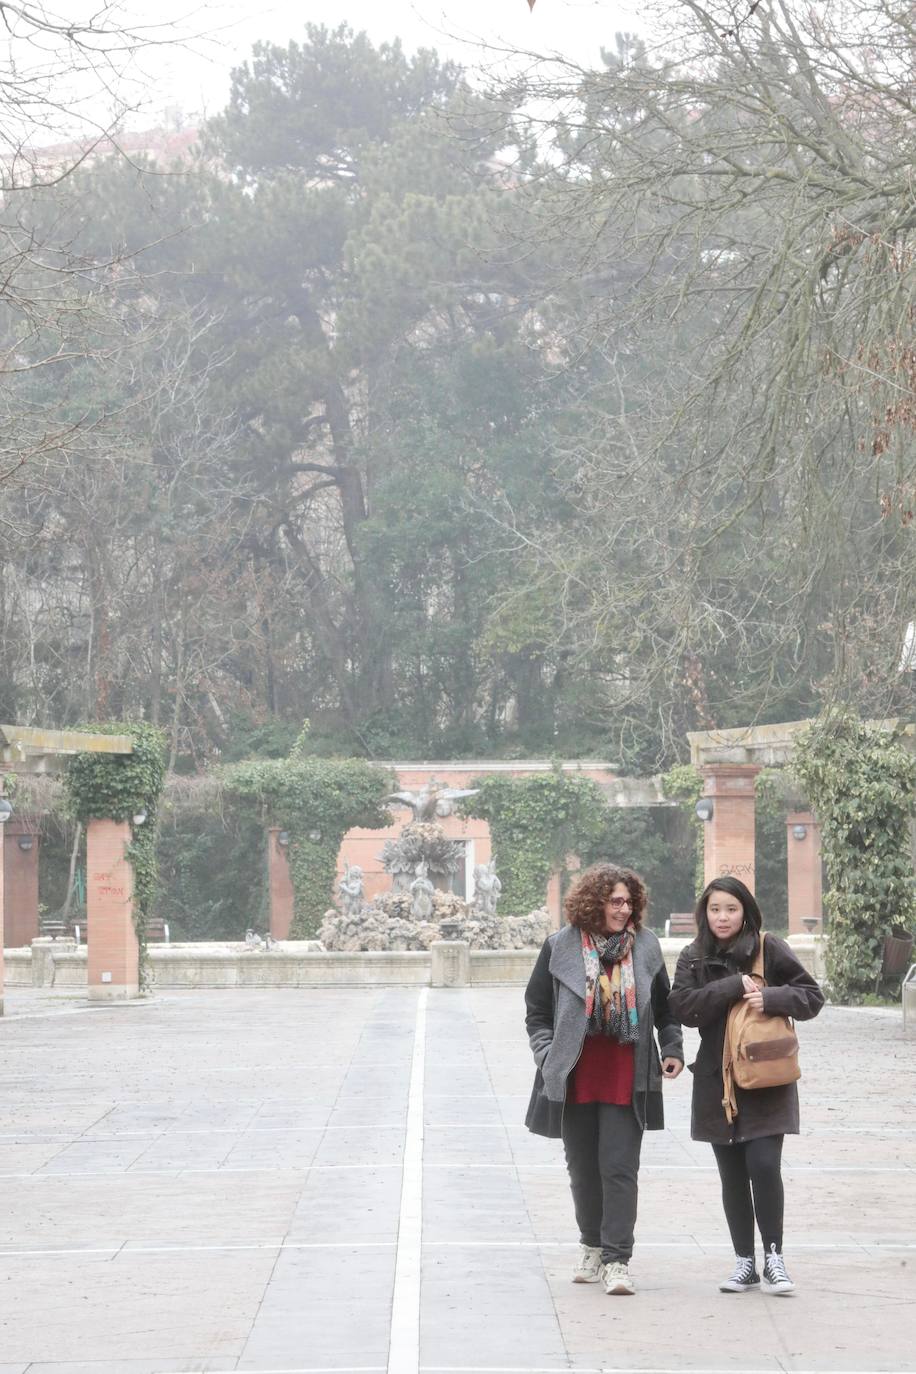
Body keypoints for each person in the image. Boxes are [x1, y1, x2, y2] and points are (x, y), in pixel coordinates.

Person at [524, 862, 684, 1296]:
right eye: (615, 901)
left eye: (629, 901)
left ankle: (617, 1260)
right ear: (594, 902)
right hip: (574, 1076)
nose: (624, 909)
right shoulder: (560, 946)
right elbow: (537, 1011)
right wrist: (546, 1055)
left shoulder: (646, 947)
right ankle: (591, 1247)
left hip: (627, 1077)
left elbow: (667, 1009)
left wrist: (671, 1049)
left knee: (619, 1169)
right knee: (582, 1171)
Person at [669, 876, 824, 1296]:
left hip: (765, 1079)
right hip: (716, 1083)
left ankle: (774, 1257)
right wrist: (732, 986)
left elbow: (812, 996)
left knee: (763, 1165)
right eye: (715, 909)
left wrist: (772, 998)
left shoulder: (768, 948)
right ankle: (744, 1262)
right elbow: (683, 1008)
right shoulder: (693, 955)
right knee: (732, 1175)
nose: (722, 917)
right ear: (705, 912)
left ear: (745, 912)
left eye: (731, 909)